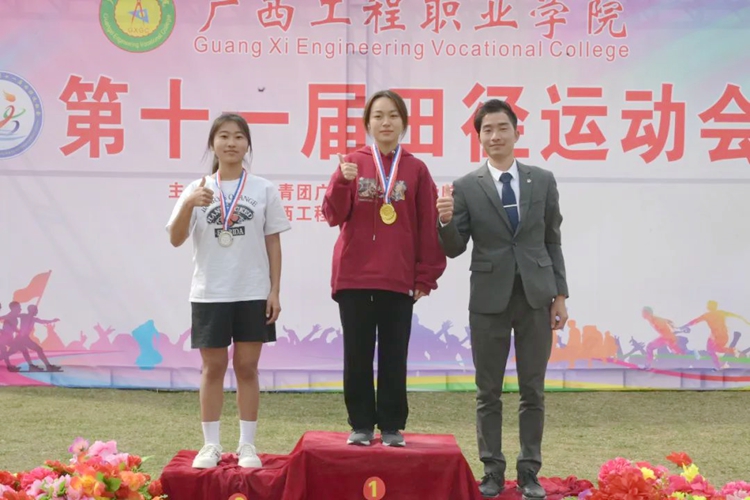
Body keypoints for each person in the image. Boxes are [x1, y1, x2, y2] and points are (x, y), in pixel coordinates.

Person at [435, 99, 569, 499]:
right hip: (488, 300)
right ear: (479, 138)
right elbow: (454, 248)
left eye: (502, 128)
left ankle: (529, 472)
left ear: (516, 131)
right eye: (487, 130)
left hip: (536, 296)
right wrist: (444, 221)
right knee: (488, 391)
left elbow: (552, 239)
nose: (495, 136)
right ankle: (492, 471)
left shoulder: (542, 180)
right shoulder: (465, 187)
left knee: (533, 390)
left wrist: (560, 295)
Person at [322, 90, 447, 447]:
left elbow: (427, 227)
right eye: (378, 116)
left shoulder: (416, 169)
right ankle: (361, 424)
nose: (386, 122)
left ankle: (392, 425)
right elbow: (332, 215)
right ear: (368, 123)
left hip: (398, 277)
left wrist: (425, 275)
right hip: (354, 277)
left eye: (393, 115)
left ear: (404, 123)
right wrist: (342, 180)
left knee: (394, 354)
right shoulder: (351, 163)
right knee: (357, 355)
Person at [166, 113, 291, 469]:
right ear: (213, 144)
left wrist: (274, 290)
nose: (231, 143)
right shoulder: (197, 188)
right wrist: (189, 204)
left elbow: (273, 243)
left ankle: (247, 445)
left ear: (248, 144)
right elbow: (175, 238)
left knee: (247, 367)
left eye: (238, 136)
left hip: (252, 291)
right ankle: (210, 445)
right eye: (223, 136)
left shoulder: (263, 189)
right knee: (213, 367)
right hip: (210, 292)